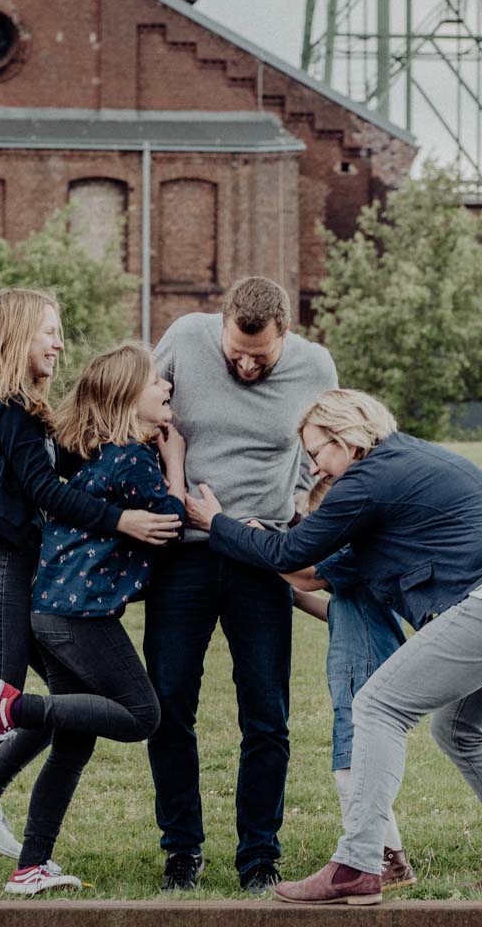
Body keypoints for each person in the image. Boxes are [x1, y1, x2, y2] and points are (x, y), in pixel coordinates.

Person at [192, 388, 482, 906]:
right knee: (460, 728)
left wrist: (218, 525)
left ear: (346, 436)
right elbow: (311, 573)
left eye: (317, 454)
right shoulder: (410, 462)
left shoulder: (370, 474)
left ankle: (358, 864)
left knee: (377, 705)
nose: (316, 470)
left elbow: (293, 552)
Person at [0, 288, 180, 899]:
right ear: (18, 335)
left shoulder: (25, 409)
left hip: (23, 574)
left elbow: (67, 466)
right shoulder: (7, 400)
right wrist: (120, 521)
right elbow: (45, 489)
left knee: (67, 710)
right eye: (49, 331)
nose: (60, 343)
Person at [144, 276, 338, 893]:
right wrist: (166, 477)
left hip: (262, 555)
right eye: (236, 352)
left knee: (266, 713)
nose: (246, 364)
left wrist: (304, 533)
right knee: (169, 703)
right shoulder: (184, 337)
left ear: (286, 335)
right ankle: (182, 850)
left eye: (261, 356)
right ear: (222, 324)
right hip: (184, 553)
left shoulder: (316, 366)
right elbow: (140, 409)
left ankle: (259, 855)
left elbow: (328, 462)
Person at [0, 341, 187, 894]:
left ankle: (30, 865)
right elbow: (170, 524)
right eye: (157, 382)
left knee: (73, 742)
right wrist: (174, 467)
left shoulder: (99, 451)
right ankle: (14, 709)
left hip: (51, 612)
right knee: (142, 715)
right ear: (130, 397)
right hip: (79, 619)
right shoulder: (132, 458)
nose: (167, 388)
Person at [282, 482, 415, 892]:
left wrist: (260, 544)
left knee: (351, 767)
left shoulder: (353, 552)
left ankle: (381, 859)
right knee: (353, 764)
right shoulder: (357, 562)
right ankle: (384, 857)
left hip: (363, 669)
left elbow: (304, 575)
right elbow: (338, 607)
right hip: (360, 665)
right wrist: (294, 597)